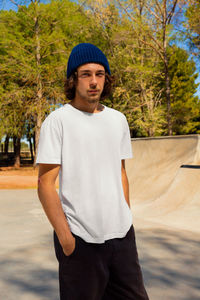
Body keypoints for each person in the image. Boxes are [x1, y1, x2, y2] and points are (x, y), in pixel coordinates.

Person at [36, 43, 149, 300]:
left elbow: (121, 172)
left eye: (100, 74)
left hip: (121, 237)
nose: (94, 81)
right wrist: (67, 239)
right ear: (74, 79)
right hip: (80, 239)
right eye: (86, 74)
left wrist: (126, 217)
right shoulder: (58, 121)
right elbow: (45, 183)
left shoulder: (118, 120)